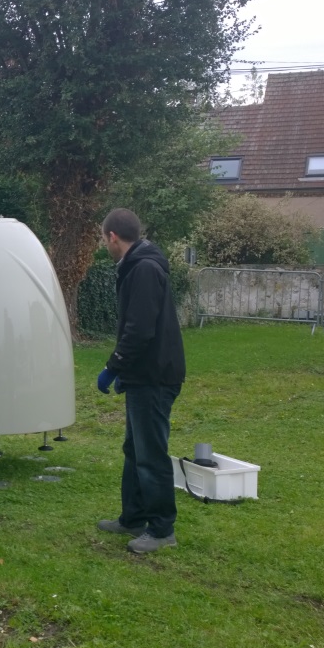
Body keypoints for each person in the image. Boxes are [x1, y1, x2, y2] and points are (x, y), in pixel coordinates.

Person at [94, 208, 186, 554]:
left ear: (113, 237)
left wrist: (115, 366)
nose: (106, 245)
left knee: (150, 454)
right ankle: (132, 517)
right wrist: (126, 372)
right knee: (135, 450)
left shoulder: (144, 269)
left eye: (105, 240)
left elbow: (140, 330)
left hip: (155, 376)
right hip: (143, 374)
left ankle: (162, 529)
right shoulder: (137, 266)